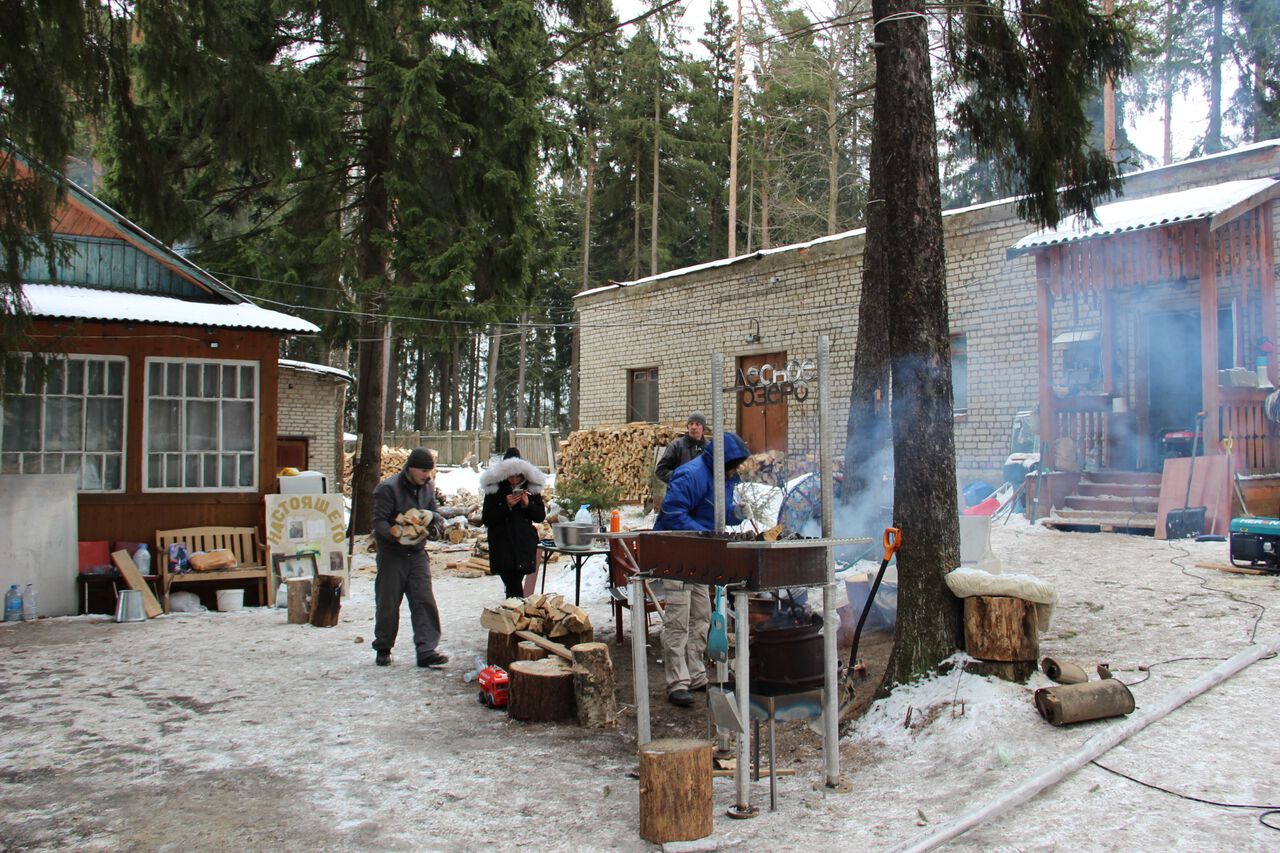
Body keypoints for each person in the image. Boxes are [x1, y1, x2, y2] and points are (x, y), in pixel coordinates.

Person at [653, 431, 750, 707]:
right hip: (676, 551)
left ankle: (696, 675)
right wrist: (703, 535)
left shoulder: (723, 478)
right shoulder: (690, 475)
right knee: (678, 617)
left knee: (701, 615)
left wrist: (736, 513)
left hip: (699, 555)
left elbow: (717, 512)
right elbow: (673, 513)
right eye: (733, 463)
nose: (736, 469)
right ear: (722, 460)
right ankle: (677, 682)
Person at [371, 447, 448, 668]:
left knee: (424, 600)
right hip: (392, 554)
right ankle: (383, 647)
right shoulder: (388, 488)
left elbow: (436, 513)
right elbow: (378, 521)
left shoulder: (427, 488)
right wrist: (395, 534)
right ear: (411, 468)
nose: (427, 475)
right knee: (388, 601)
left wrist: (432, 517)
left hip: (417, 553)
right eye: (423, 470)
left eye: (430, 471)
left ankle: (426, 650)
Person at [480, 447, 548, 599]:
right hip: (502, 544)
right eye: (511, 476)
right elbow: (487, 518)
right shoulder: (495, 488)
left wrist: (527, 504)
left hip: (523, 544)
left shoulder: (531, 487)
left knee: (514, 585)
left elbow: (539, 516)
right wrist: (506, 506)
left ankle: (514, 614)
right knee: (513, 585)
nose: (514, 480)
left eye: (518, 476)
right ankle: (518, 614)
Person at [655, 411, 708, 485]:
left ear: (703, 428)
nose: (693, 427)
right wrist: (679, 477)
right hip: (680, 493)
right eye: (691, 424)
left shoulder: (709, 448)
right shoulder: (677, 446)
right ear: (687, 427)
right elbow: (660, 470)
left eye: (697, 424)